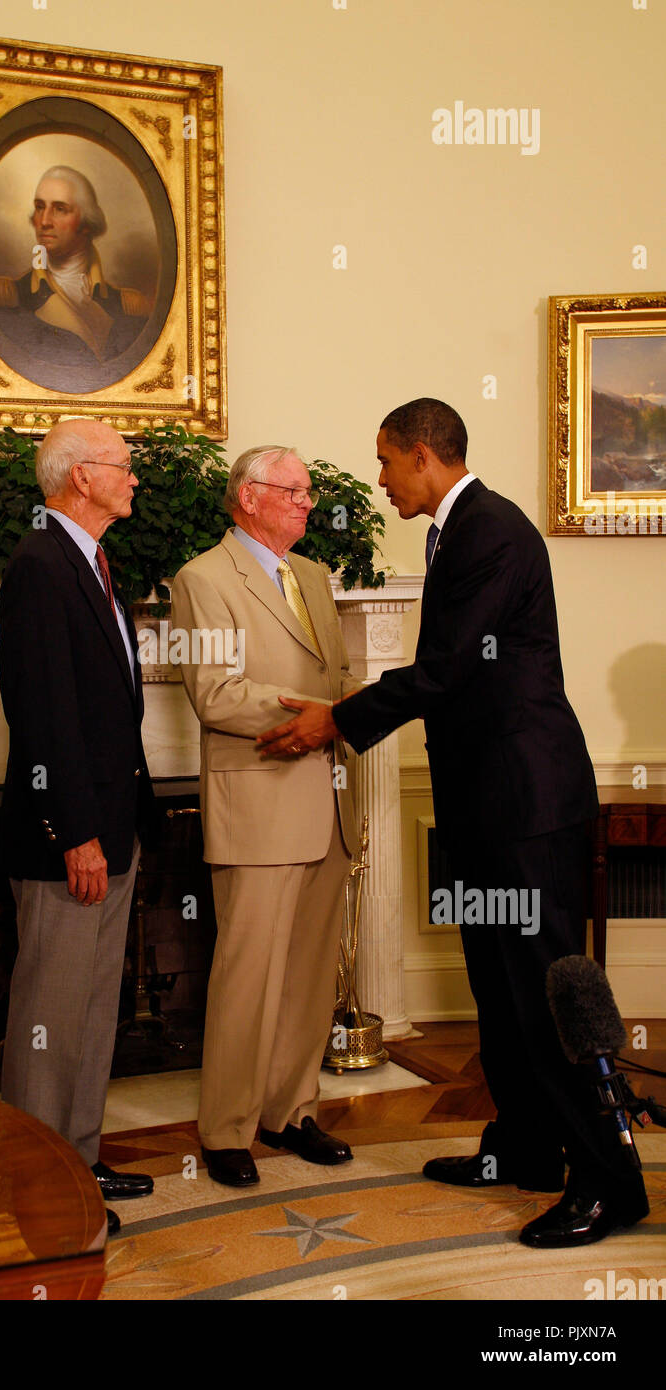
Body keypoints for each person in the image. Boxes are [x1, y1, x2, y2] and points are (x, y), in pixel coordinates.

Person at [257, 398, 649, 1248]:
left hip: (523, 808)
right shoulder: (457, 529)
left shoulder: (491, 530)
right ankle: (523, 1150)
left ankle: (607, 1183)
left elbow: (442, 671)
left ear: (423, 456)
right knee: (496, 994)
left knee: (546, 998)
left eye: (385, 462)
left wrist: (339, 718)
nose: (381, 478)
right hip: (480, 806)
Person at [169, 445, 359, 1188]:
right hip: (257, 800)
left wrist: (349, 708)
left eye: (308, 492)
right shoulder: (202, 578)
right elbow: (214, 693)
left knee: (310, 973)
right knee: (247, 974)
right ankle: (226, 1129)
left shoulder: (311, 575)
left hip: (329, 798)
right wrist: (322, 714)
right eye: (293, 491)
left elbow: (337, 679)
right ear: (247, 497)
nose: (307, 503)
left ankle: (291, 1112)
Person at [0, 418, 156, 1236]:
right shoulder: (37, 566)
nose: (134, 479)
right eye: (124, 468)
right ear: (81, 476)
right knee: (48, 1017)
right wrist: (73, 832)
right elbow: (42, 712)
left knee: (95, 1013)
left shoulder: (93, 561)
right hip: (68, 837)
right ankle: (36, 1176)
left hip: (112, 824)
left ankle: (81, 1159)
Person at [0, 166, 152, 367]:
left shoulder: (129, 307)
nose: (44, 221)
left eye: (60, 209)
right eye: (39, 207)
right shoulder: (6, 298)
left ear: (87, 222)